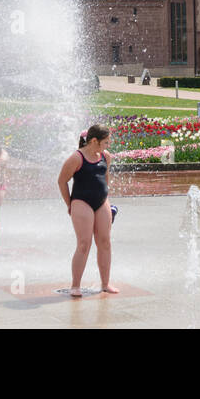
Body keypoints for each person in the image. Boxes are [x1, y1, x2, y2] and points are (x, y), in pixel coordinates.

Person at [57, 124, 119, 297]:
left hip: (101, 201)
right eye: (105, 142)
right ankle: (75, 285)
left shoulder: (105, 156)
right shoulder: (76, 158)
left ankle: (105, 284)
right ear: (94, 141)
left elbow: (105, 178)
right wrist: (69, 203)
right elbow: (62, 181)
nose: (108, 145)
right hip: (81, 202)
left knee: (105, 241)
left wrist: (106, 199)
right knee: (84, 244)